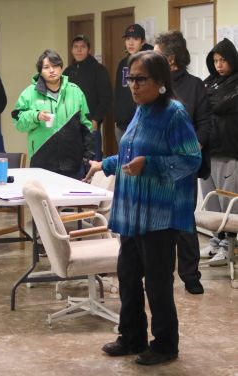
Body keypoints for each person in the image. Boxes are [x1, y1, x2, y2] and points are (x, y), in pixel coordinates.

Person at [86, 51, 201, 366]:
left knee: (157, 283)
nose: (134, 86)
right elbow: (130, 154)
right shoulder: (141, 110)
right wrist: (104, 164)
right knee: (127, 276)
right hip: (133, 212)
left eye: (141, 80)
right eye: (130, 79)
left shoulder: (174, 114)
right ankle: (132, 337)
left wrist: (150, 165)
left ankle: (165, 345)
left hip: (160, 217)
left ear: (160, 82)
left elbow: (191, 160)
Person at [154, 30, 211, 294]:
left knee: (184, 222)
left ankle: (190, 276)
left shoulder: (196, 85)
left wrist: (190, 151)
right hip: (157, 164)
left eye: (155, 54)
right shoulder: (152, 83)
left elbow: (204, 124)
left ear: (171, 58)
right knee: (160, 222)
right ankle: (161, 272)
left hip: (185, 165)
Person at [12, 49, 93, 179]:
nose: (52, 70)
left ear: (61, 68)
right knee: (43, 199)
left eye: (55, 66)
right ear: (40, 71)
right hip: (42, 160)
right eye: (46, 67)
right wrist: (36, 116)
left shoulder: (75, 92)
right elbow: (18, 123)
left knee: (72, 198)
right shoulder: (29, 93)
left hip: (73, 162)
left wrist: (88, 158)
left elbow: (87, 126)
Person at [200, 38, 238, 266]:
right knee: (210, 200)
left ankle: (229, 245)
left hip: (230, 152)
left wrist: (208, 101)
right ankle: (216, 240)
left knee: (228, 203)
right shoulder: (209, 82)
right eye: (215, 61)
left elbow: (222, 104)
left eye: (223, 60)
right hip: (209, 152)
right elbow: (201, 103)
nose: (219, 65)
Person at [63, 34, 112, 161]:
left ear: (89, 50)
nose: (79, 50)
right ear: (71, 50)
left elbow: (106, 97)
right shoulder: (67, 72)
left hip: (90, 125)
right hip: (71, 126)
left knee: (92, 163)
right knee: (74, 163)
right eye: (76, 47)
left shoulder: (99, 70)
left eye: (82, 47)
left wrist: (96, 119)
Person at [114, 24, 153, 143]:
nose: (130, 43)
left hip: (142, 124)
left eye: (135, 39)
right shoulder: (122, 63)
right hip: (122, 125)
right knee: (123, 160)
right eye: (128, 39)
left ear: (142, 42)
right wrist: (117, 116)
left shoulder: (149, 63)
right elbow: (118, 93)